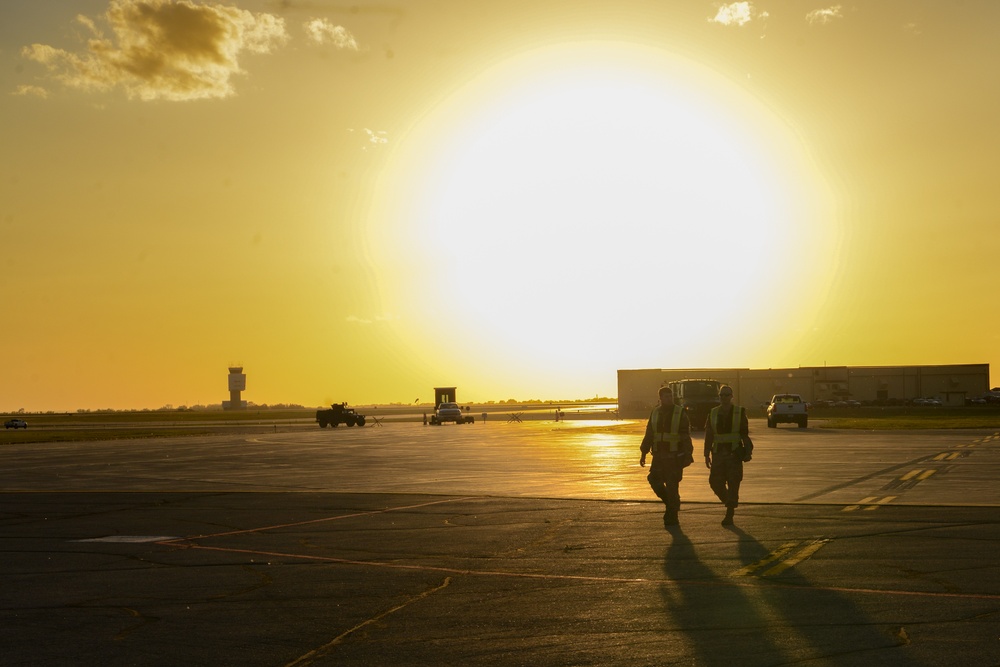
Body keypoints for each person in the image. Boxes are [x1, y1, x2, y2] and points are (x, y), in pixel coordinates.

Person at [640, 386, 694, 527]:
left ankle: (673, 515)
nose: (669, 399)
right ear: (660, 398)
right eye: (666, 396)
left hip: (674, 457)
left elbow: (685, 435)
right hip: (658, 456)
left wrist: (688, 454)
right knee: (653, 479)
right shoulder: (655, 413)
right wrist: (643, 452)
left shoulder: (679, 412)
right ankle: (671, 504)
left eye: (670, 396)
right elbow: (649, 433)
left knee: (672, 486)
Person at [704, 384, 753, 525]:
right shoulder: (712, 413)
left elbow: (745, 435)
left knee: (733, 483)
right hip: (718, 455)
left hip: (734, 455)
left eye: (727, 395)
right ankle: (729, 502)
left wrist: (748, 452)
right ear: (718, 397)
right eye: (721, 395)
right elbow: (709, 435)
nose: (724, 397)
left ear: (732, 396)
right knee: (715, 483)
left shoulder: (739, 412)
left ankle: (729, 514)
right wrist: (706, 453)